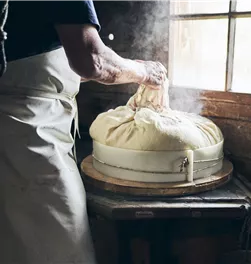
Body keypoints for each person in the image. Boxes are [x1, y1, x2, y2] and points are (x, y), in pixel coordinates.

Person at [0, 0, 166, 263]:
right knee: (54, 249)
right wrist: (144, 71)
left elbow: (40, 57)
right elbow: (92, 61)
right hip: (28, 136)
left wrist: (121, 68)